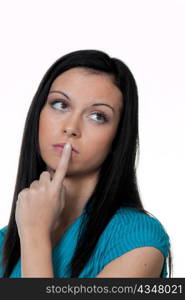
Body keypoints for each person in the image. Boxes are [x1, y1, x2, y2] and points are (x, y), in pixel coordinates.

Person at [0, 49, 172, 278]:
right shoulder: (5, 242)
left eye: (97, 116)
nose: (71, 127)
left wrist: (34, 237)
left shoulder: (139, 240)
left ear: (117, 137)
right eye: (60, 105)